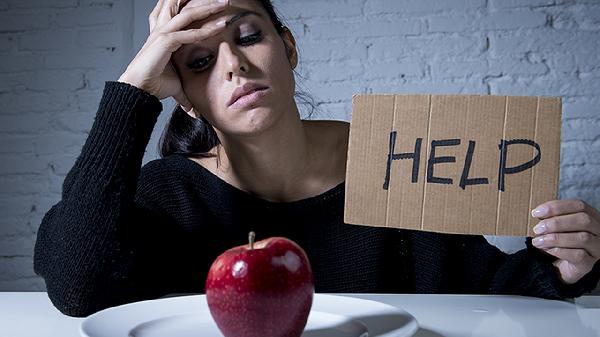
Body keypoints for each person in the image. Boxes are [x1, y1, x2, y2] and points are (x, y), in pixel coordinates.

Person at [33, 0, 600, 318]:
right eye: (200, 62)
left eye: (248, 35)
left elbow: (489, 296)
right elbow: (77, 284)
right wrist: (132, 90)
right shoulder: (170, 193)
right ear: (179, 93)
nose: (233, 65)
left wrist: (563, 266)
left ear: (289, 47)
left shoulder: (395, 158)